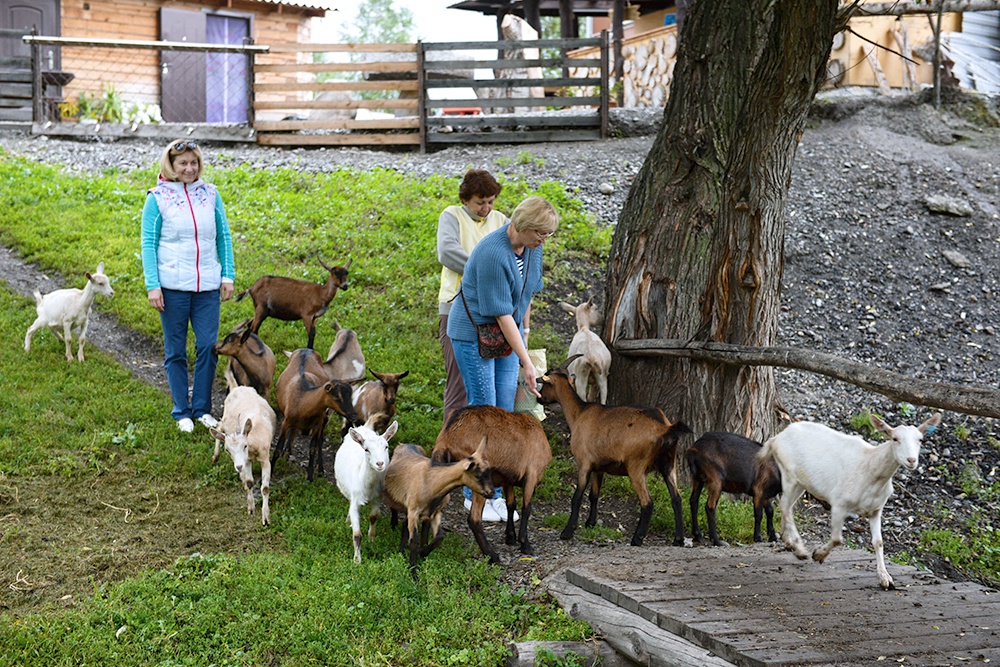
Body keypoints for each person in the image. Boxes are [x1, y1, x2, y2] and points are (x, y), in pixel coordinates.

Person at [447, 195, 558, 521]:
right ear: (523, 226)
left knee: (504, 413)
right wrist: (526, 360)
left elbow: (526, 294)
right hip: (473, 335)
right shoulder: (492, 253)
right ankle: (474, 494)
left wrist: (525, 335)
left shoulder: (533, 247)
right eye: (541, 233)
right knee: (485, 413)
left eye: (548, 234)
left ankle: (494, 490)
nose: (544, 240)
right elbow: (501, 313)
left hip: (506, 333)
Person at [141, 140, 235, 433]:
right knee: (176, 350)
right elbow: (148, 244)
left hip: (207, 286)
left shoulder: (211, 194)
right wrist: (153, 285)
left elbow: (223, 236)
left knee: (207, 346)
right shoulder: (157, 198)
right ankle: (182, 411)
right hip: (172, 288)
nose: (189, 168)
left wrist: (227, 275)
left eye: (194, 162)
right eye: (183, 163)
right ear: (171, 164)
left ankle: (202, 409)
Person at [437, 170, 510, 521]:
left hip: (493, 313)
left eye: (490, 202)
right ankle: (448, 460)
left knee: (491, 396)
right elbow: (447, 252)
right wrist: (486, 270)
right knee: (459, 389)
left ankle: (483, 465)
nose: (486, 208)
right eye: (480, 202)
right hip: (456, 309)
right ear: (465, 199)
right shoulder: (451, 216)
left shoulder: (501, 220)